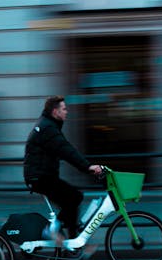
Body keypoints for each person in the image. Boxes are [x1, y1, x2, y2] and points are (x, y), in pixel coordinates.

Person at [24, 95, 104, 241]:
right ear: (55, 111)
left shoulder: (48, 125)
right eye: (64, 109)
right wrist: (88, 167)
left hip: (42, 176)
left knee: (74, 198)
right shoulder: (48, 128)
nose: (67, 112)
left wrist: (86, 168)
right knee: (74, 197)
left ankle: (71, 241)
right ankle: (53, 231)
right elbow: (66, 150)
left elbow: (64, 150)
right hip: (40, 178)